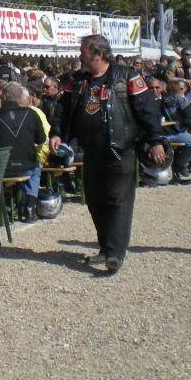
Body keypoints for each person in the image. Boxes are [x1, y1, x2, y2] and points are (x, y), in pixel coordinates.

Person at [51, 34, 165, 274]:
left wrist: (155, 140)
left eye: (83, 51)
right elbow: (63, 108)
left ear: (98, 54)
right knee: (95, 200)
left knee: (118, 201)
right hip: (90, 151)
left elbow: (148, 110)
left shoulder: (127, 76)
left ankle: (115, 253)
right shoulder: (78, 80)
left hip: (120, 150)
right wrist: (57, 132)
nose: (79, 55)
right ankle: (105, 247)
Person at [0, 81, 45, 223]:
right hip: (26, 167)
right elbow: (41, 139)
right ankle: (30, 207)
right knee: (36, 170)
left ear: (4, 97)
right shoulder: (31, 114)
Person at [156, 79, 191, 185]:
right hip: (176, 133)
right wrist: (183, 128)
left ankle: (174, 167)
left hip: (161, 134)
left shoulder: (158, 100)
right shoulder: (181, 100)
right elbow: (189, 119)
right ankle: (181, 164)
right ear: (178, 89)